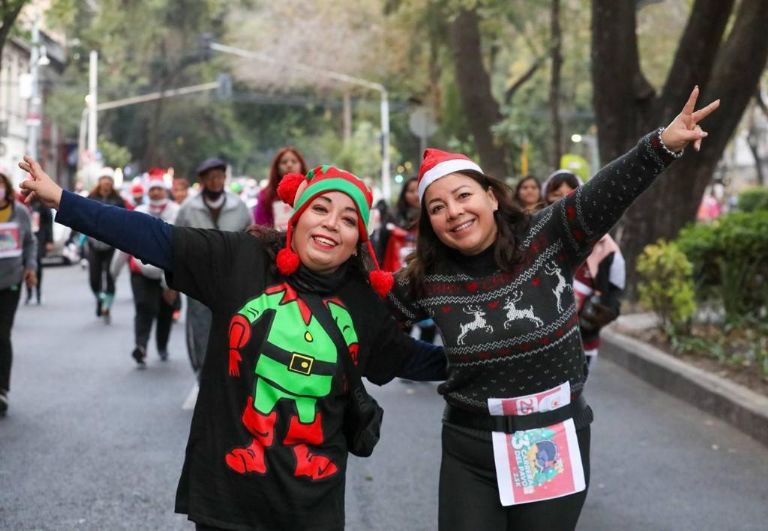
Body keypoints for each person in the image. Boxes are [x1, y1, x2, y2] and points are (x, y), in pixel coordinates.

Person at [19, 159, 446, 530]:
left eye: (349, 219)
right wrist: (62, 199)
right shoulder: (240, 259)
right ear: (295, 218)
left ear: (358, 241)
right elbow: (153, 238)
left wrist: (492, 358)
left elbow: (409, 358)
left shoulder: (362, 303)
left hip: (311, 507)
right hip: (227, 497)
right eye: (320, 208)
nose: (332, 223)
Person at [386, 87, 718, 530]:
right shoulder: (428, 277)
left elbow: (607, 191)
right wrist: (444, 364)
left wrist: (662, 144)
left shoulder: (548, 235)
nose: (454, 212)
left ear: (489, 195)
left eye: (463, 196)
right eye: (438, 207)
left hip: (551, 439)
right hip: (471, 448)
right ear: (429, 223)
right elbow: (375, 335)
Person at [175, 158, 252, 379]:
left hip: (232, 278)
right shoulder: (188, 208)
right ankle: (202, 373)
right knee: (200, 329)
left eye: (219, 176)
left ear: (225, 178)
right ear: (202, 180)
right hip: (198, 279)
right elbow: (176, 245)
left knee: (232, 327)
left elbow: (251, 241)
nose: (215, 181)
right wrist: (168, 282)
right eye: (210, 177)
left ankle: (226, 375)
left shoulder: (239, 206)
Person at [543, 169, 625, 369]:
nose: (563, 201)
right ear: (545, 197)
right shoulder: (532, 238)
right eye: (557, 195)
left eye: (571, 195)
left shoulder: (605, 246)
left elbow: (614, 295)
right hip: (538, 348)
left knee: (575, 398)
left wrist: (602, 312)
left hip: (581, 345)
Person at [113, 169, 180, 367]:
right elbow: (126, 240)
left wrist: (171, 281)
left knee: (165, 312)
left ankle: (162, 346)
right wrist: (113, 272)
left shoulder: (176, 212)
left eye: (159, 189)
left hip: (169, 273)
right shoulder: (139, 212)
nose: (156, 193)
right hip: (141, 271)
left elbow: (181, 246)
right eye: (153, 190)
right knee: (144, 307)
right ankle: (140, 347)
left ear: (165, 191)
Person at [0, 172, 37, 417]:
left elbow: (30, 242)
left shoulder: (20, 212)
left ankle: (2, 389)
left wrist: (30, 268)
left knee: (2, 334)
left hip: (10, 281)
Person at [86, 167, 126, 323]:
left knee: (110, 276)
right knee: (94, 279)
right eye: (104, 179)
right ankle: (100, 298)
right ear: (99, 181)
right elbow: (82, 216)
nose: (106, 182)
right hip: (94, 243)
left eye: (109, 180)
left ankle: (107, 307)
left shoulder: (118, 200)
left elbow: (125, 220)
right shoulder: (91, 197)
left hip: (112, 244)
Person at [253, 146, 308, 229]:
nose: (289, 165)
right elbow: (260, 227)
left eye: (294, 161)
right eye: (284, 162)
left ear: (301, 166)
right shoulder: (265, 195)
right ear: (277, 168)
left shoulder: (312, 190)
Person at [25, 195, 53, 305]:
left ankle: (38, 292)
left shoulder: (43, 204)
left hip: (39, 239)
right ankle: (29, 292)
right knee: (26, 265)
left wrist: (49, 240)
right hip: (25, 238)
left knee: (37, 265)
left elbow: (49, 223)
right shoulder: (24, 204)